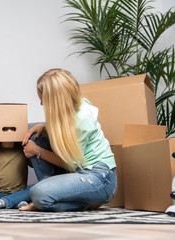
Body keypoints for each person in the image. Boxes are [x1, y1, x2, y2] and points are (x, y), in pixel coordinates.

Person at [20, 68, 117, 212]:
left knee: (38, 194)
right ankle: (49, 193)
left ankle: (50, 197)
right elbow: (64, 134)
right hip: (78, 171)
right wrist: (43, 127)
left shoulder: (83, 119)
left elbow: (69, 162)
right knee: (37, 138)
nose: (41, 104)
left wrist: (37, 151)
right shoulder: (72, 108)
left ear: (56, 99)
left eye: (43, 99)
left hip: (99, 179)